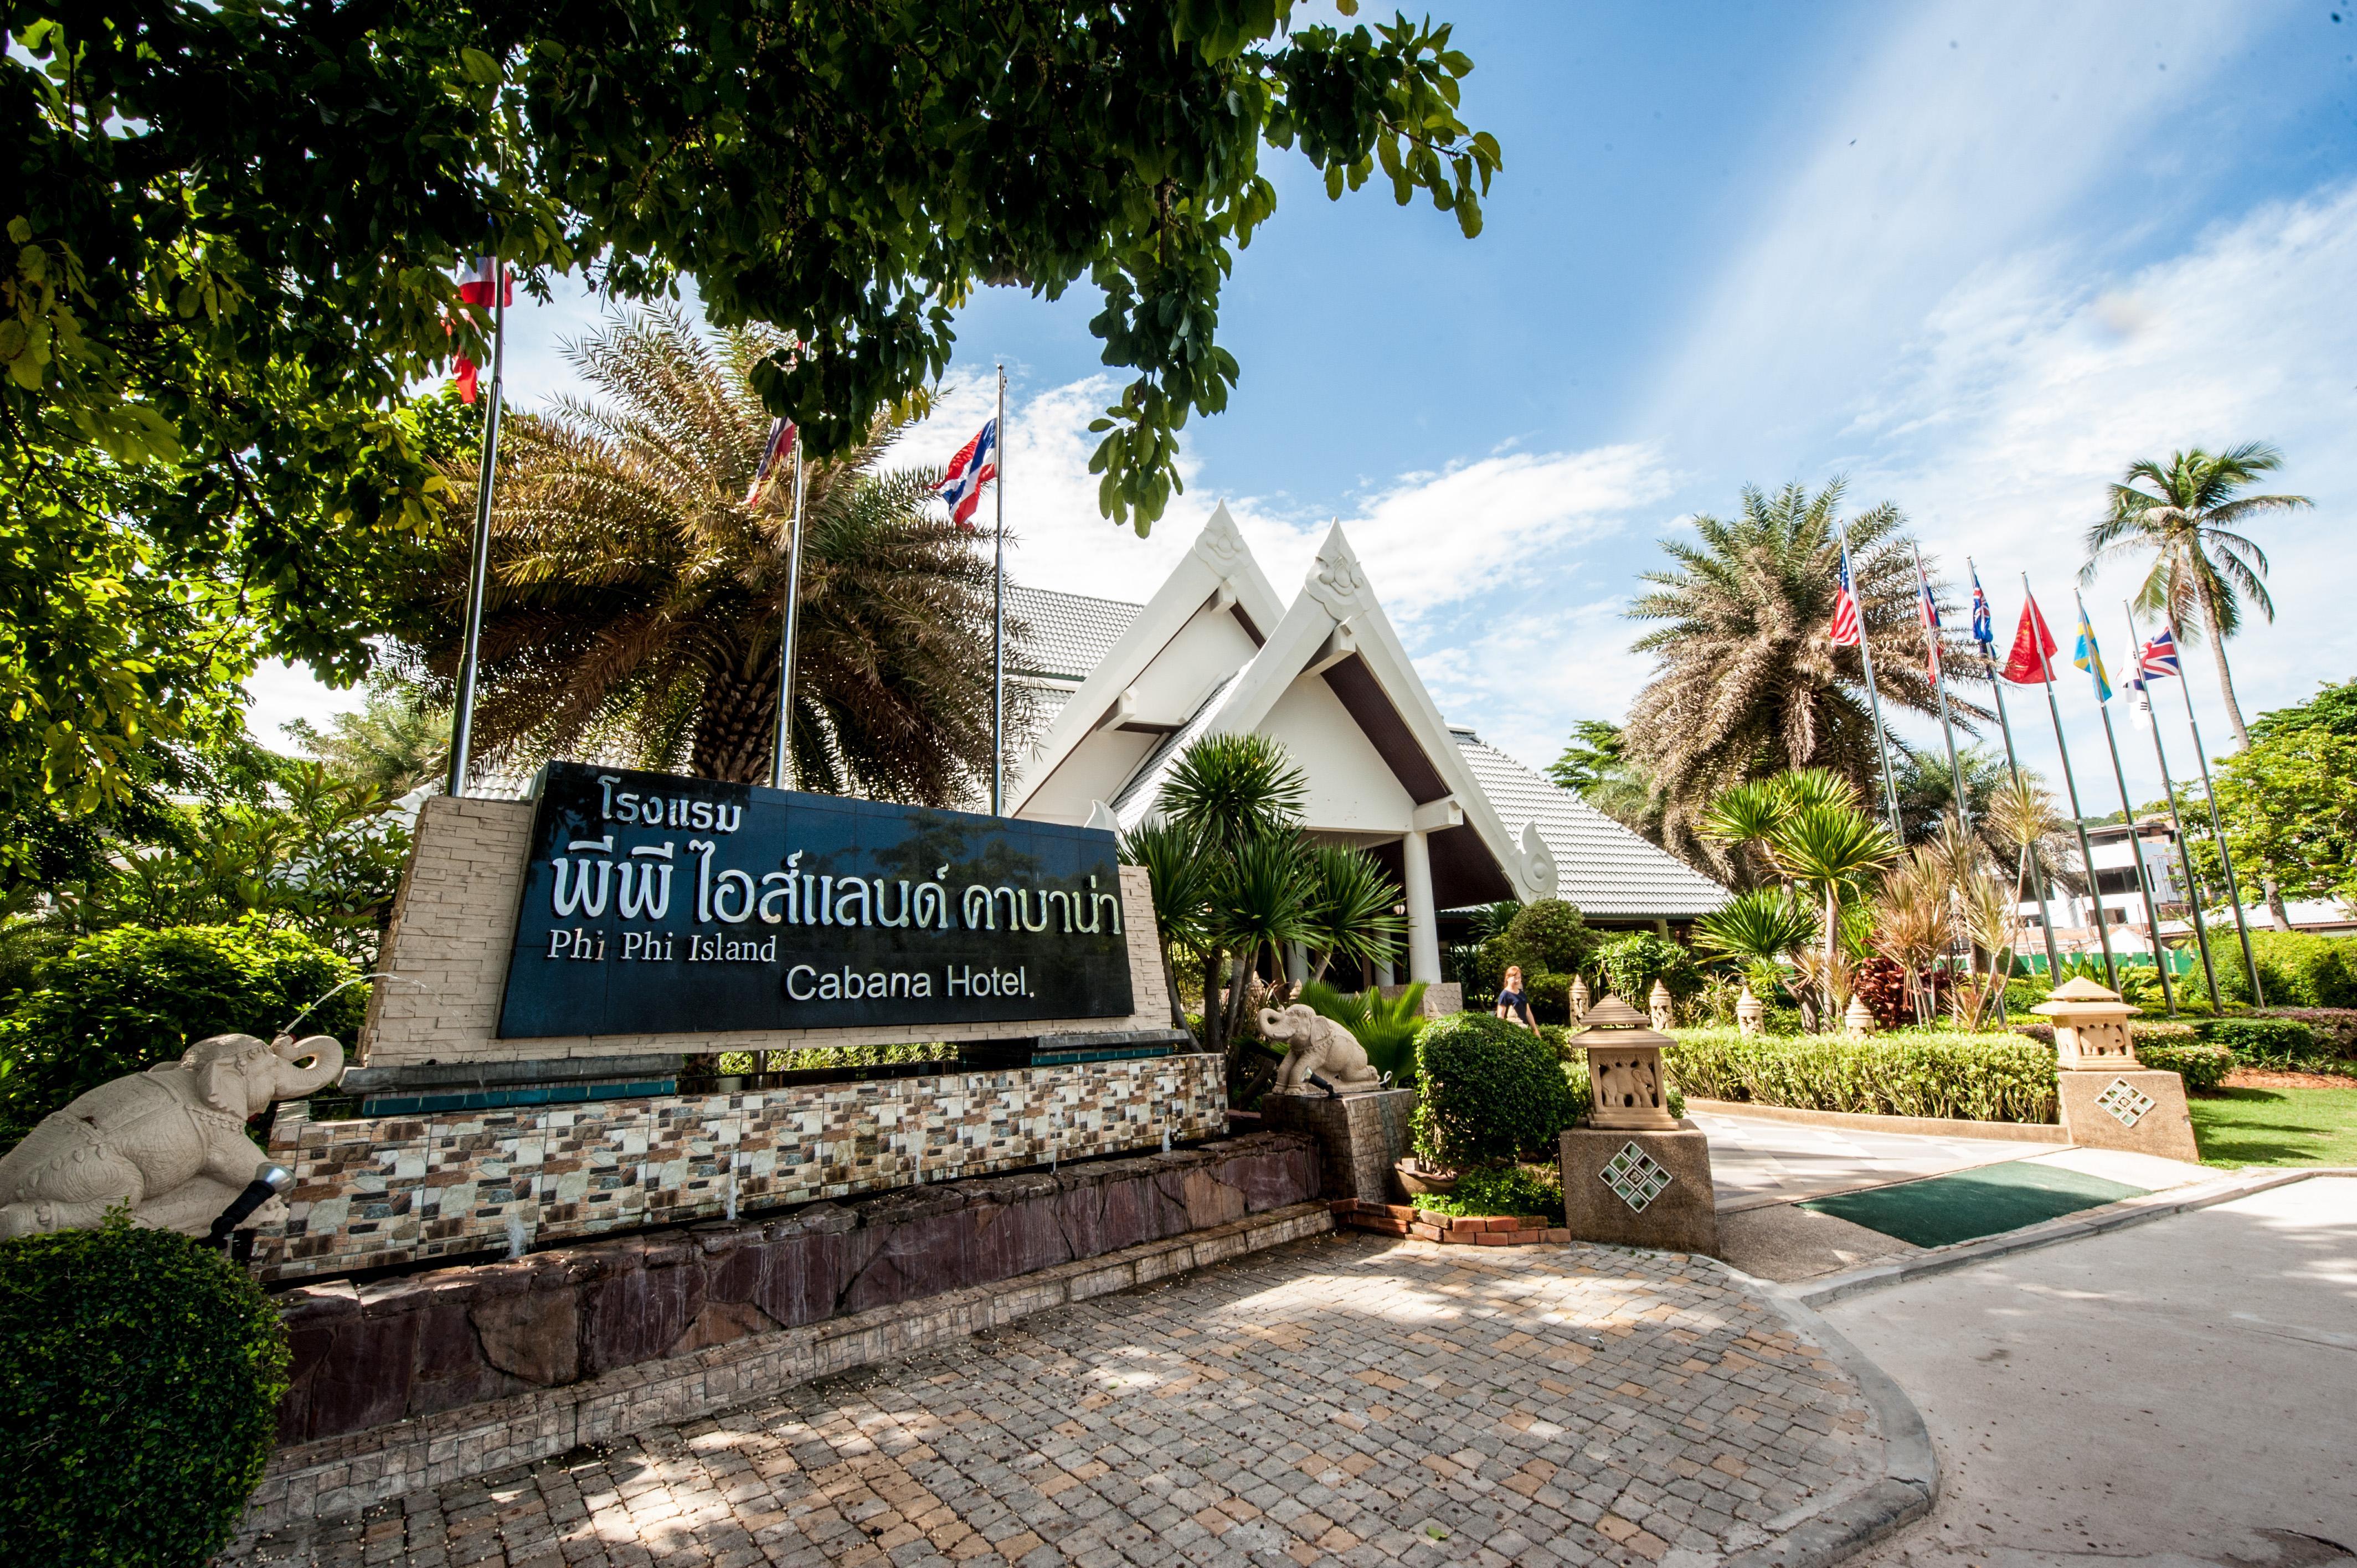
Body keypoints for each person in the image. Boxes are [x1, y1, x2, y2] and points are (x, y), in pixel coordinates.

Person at [1495, 964, 1536, 1030]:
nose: (1517, 980)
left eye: (1519, 978)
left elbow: (1528, 1013)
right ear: (1507, 978)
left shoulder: (1522, 994)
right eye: (1515, 978)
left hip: (1524, 1029)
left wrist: (1535, 1030)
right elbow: (1500, 1017)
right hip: (1512, 1031)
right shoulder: (1505, 995)